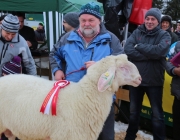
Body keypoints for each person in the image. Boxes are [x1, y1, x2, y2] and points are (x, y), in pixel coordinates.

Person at [49, 2, 124, 140]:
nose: (87, 23)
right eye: (83, 20)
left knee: (105, 137)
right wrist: (57, 70)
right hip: (73, 100)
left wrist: (100, 68)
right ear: (79, 21)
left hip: (102, 102)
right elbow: (54, 54)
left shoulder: (111, 40)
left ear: (99, 21)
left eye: (91, 20)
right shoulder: (67, 38)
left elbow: (120, 66)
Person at [124, 8, 171, 140]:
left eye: (153, 19)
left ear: (158, 21)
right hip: (136, 80)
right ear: (144, 19)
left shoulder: (164, 35)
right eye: (147, 19)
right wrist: (151, 55)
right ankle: (129, 137)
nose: (149, 22)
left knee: (157, 115)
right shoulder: (137, 32)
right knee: (133, 113)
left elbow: (160, 51)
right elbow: (128, 49)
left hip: (154, 81)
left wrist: (139, 46)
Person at [165, 41, 180, 140]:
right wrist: (175, 70)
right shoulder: (177, 45)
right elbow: (168, 62)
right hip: (179, 94)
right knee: (177, 128)